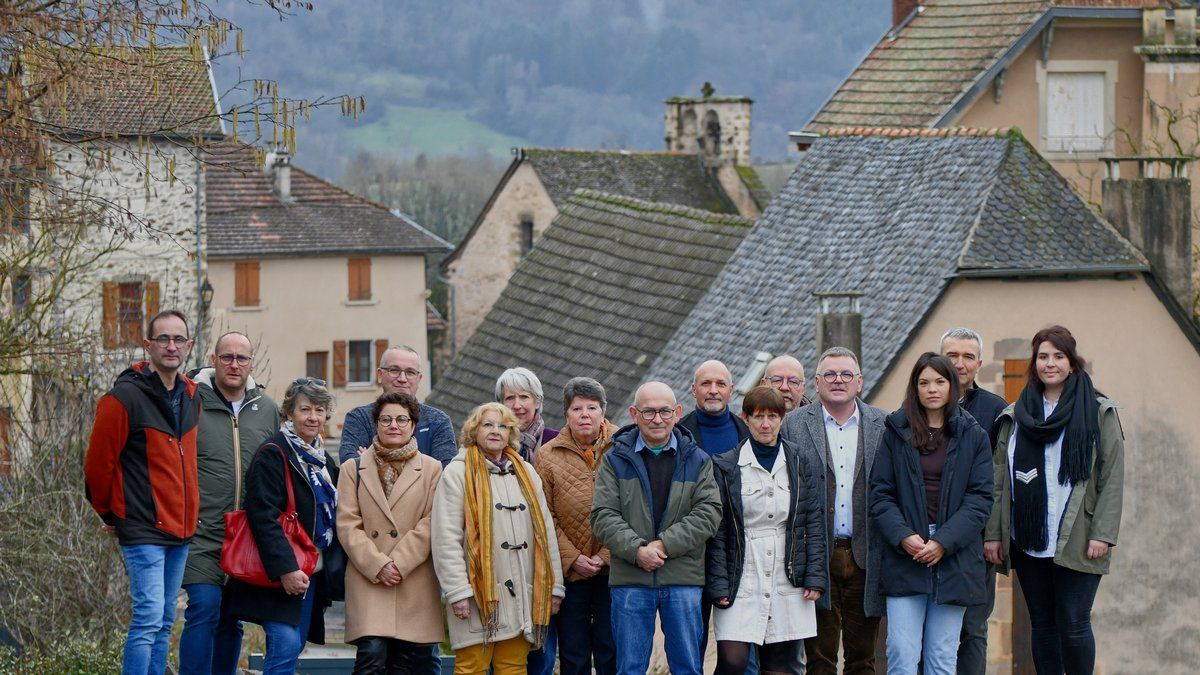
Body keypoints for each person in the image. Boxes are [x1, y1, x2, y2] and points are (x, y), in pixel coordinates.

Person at [984, 326, 1123, 675]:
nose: (1050, 363)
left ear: (1072, 363)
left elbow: (1112, 476)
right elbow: (1000, 480)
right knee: (1043, 624)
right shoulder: (1016, 416)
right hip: (1029, 537)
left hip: (1079, 534)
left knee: (1074, 623)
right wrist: (994, 533)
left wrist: (1102, 532)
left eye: (1059, 356)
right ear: (1034, 363)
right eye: (1043, 356)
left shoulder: (1099, 411)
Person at [85, 309, 200, 675]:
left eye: (178, 339)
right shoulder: (123, 398)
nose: (171, 346)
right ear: (148, 345)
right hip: (143, 527)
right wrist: (112, 514)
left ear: (189, 346)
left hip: (181, 529)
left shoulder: (192, 396)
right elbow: (96, 467)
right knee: (148, 619)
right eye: (163, 339)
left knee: (165, 621)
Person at [869, 353, 993, 674]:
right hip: (905, 553)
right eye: (924, 383)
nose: (932, 389)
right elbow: (880, 494)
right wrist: (903, 536)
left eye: (939, 381)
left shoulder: (974, 435)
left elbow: (980, 500)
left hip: (954, 555)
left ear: (952, 386)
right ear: (915, 388)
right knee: (901, 651)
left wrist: (943, 542)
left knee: (941, 655)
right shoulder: (896, 431)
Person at [590, 381, 722, 675]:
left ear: (678, 413)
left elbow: (709, 513)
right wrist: (637, 550)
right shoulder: (614, 460)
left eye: (664, 411)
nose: (657, 419)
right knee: (630, 668)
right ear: (634, 414)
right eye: (648, 412)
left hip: (682, 578)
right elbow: (603, 515)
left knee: (688, 668)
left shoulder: (697, 460)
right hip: (631, 578)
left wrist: (663, 545)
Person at [431, 403, 565, 675]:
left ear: (511, 434)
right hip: (476, 594)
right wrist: (457, 591)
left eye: (503, 426)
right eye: (488, 425)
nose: (495, 431)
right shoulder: (456, 473)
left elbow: (546, 533)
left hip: (521, 593)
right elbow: (446, 538)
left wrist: (555, 587)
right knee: (472, 668)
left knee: (514, 668)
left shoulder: (526, 472)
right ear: (474, 431)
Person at [779, 347, 887, 675]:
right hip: (816, 559)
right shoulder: (793, 425)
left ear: (859, 382)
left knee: (863, 660)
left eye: (846, 374)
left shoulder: (883, 424)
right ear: (816, 383)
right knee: (819, 660)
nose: (838, 380)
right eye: (830, 374)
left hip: (866, 557)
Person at [707, 386, 827, 675]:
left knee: (780, 664)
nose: (765, 424)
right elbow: (719, 530)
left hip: (788, 571)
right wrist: (719, 583)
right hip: (742, 571)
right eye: (758, 416)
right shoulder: (726, 465)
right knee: (733, 660)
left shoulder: (799, 461)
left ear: (782, 419)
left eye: (772, 416)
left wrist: (815, 575)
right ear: (745, 418)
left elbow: (813, 521)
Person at [180, 331, 281, 675]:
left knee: (230, 618)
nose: (234, 364)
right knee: (204, 608)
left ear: (251, 363)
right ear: (214, 359)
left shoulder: (267, 409)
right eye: (227, 357)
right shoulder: (190, 401)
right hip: (201, 532)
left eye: (241, 358)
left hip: (245, 536)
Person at [228, 378, 340, 675]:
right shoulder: (273, 453)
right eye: (305, 409)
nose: (313, 417)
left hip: (311, 572)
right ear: (289, 412)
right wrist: (286, 569)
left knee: (295, 645)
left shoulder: (323, 461)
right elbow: (262, 515)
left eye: (319, 410)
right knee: (286, 644)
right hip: (280, 571)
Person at [337, 391, 444, 674]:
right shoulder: (353, 469)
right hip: (368, 577)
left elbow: (432, 521)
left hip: (413, 578)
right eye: (386, 419)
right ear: (376, 424)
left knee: (404, 663)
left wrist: (399, 564)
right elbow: (347, 524)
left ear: (412, 424)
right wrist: (379, 565)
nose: (393, 425)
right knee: (370, 658)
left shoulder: (432, 469)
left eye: (401, 419)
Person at [533, 377, 620, 675]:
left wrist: (606, 556)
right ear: (566, 414)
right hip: (570, 572)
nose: (585, 415)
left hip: (615, 570)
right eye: (577, 408)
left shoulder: (623, 446)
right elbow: (544, 515)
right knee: (574, 654)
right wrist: (573, 558)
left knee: (611, 651)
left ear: (603, 411)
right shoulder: (548, 455)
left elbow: (636, 510)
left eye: (592, 408)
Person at [939, 327, 1007, 675]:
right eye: (952, 355)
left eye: (968, 357)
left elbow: (1000, 481)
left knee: (973, 630)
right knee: (931, 632)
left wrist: (993, 535)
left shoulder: (996, 411)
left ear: (979, 364)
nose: (960, 363)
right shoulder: (919, 405)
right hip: (928, 538)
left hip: (976, 540)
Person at [340, 345, 456, 466]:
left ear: (419, 379)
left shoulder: (438, 421)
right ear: (380, 375)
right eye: (394, 370)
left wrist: (371, 462)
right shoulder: (359, 418)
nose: (402, 379)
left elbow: (444, 471)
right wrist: (425, 469)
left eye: (410, 372)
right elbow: (351, 467)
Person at [678, 359, 750, 457]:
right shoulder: (677, 433)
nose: (713, 391)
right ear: (694, 390)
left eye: (721, 384)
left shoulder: (749, 432)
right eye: (706, 383)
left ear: (730, 390)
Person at [497, 366, 559, 463]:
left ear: (537, 402)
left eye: (524, 397)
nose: (517, 406)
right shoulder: (491, 441)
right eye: (510, 398)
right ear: (501, 404)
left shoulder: (556, 441)